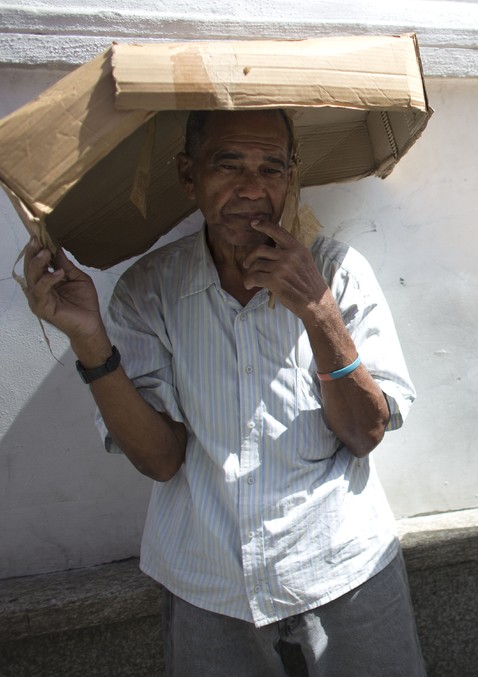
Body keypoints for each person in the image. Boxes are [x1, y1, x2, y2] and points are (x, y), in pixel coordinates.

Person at [21, 109, 424, 676]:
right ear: (189, 176)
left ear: (290, 177)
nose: (253, 189)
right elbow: (160, 460)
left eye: (271, 168)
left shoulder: (337, 272)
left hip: (341, 568)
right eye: (228, 165)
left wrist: (319, 311)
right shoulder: (150, 291)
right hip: (207, 584)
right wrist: (89, 340)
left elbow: (365, 432)